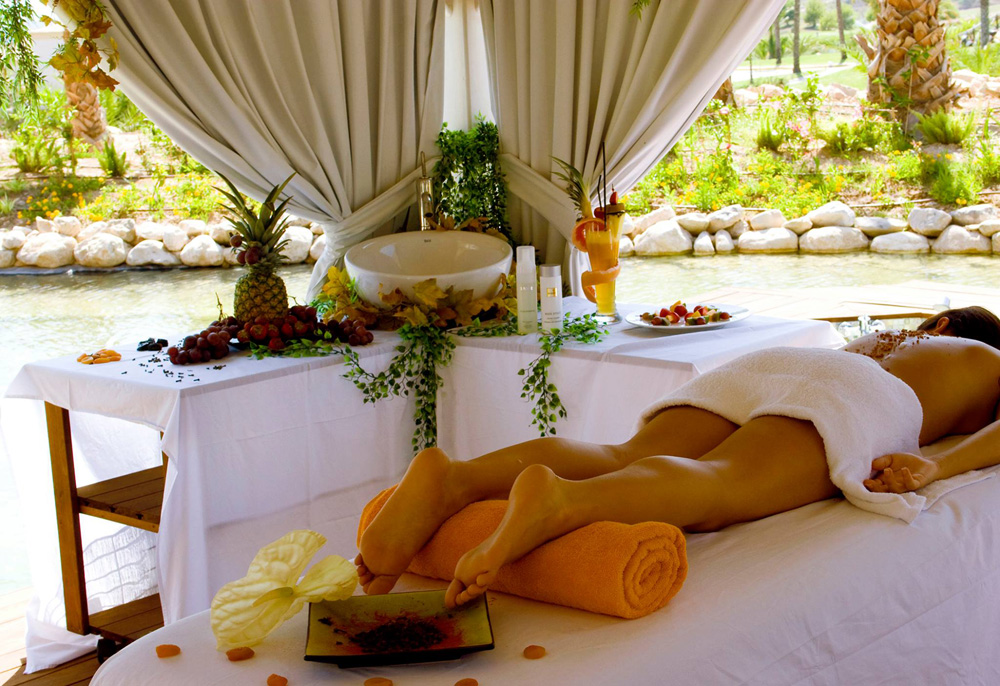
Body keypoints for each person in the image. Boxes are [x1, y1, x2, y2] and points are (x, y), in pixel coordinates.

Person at [356, 307, 1000, 608]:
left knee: (621, 451)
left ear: (938, 324)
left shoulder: (885, 338)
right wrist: (937, 465)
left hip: (780, 364)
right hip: (861, 393)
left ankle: (456, 477)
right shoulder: (986, 360)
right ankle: (563, 502)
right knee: (719, 483)